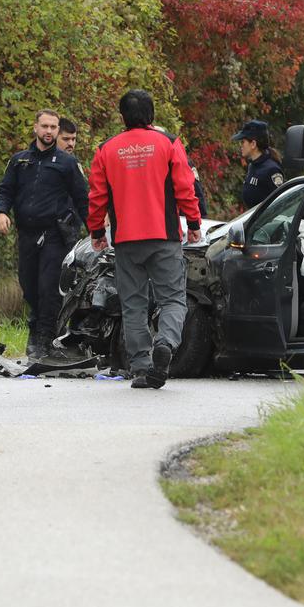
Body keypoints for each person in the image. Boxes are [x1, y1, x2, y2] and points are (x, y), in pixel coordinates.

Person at [88, 90, 202, 389]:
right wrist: (193, 222)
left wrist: (97, 232)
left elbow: (97, 197)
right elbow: (184, 188)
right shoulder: (168, 143)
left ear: (122, 116)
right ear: (151, 115)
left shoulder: (106, 149)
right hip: (164, 237)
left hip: (126, 239)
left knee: (133, 304)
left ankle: (141, 367)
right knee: (173, 299)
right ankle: (165, 342)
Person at [0, 110, 89, 360]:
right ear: (35, 128)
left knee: (49, 287)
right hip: (26, 234)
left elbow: (83, 199)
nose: (49, 131)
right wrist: (1, 213)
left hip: (55, 234)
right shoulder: (20, 161)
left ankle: (43, 339)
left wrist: (96, 232)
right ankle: (39, 332)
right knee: (29, 286)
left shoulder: (67, 164)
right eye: (45, 126)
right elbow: (5, 191)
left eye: (54, 127)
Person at [233, 119, 284, 209]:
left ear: (253, 144)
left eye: (243, 142)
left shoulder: (272, 170)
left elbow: (278, 206)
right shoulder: (253, 166)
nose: (241, 146)